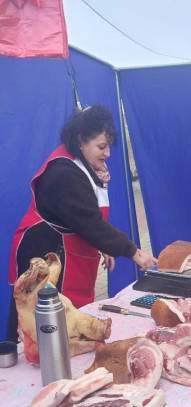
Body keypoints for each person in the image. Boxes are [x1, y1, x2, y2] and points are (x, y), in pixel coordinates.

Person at [8, 104, 156, 341]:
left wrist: (103, 244)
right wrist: (134, 252)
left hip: (67, 246)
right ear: (80, 140)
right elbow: (90, 222)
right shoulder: (64, 173)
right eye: (101, 146)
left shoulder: (84, 165)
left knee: (67, 325)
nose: (107, 153)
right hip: (47, 251)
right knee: (42, 325)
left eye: (108, 146)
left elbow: (84, 217)